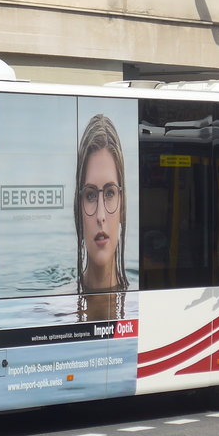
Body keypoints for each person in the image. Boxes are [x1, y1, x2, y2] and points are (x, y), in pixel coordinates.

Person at [75, 113, 128, 321]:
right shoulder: (56, 305)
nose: (100, 215)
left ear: (122, 203)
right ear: (78, 207)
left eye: (109, 193)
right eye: (90, 195)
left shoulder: (139, 304)